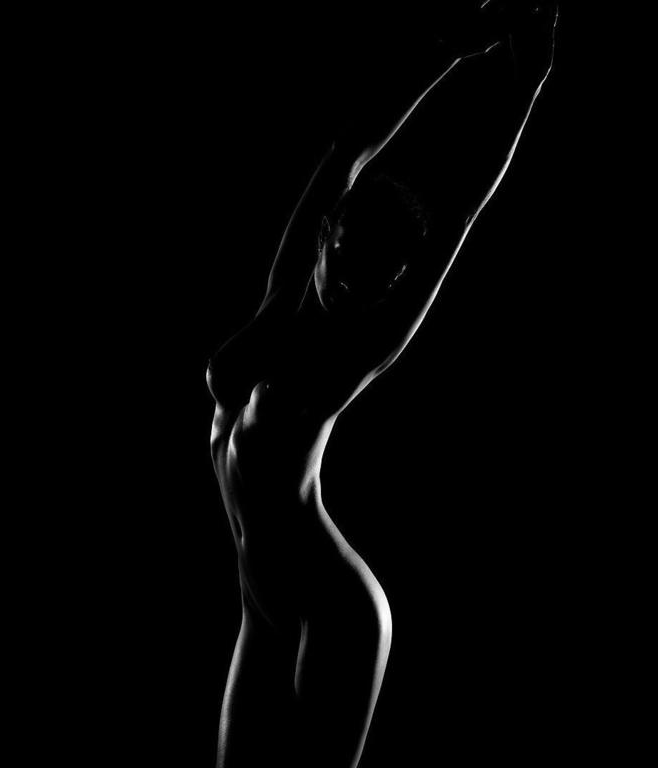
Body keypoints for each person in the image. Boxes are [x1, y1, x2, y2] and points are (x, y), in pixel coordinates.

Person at [207, 2, 557, 765]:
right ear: (326, 235)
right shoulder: (285, 294)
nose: (352, 283)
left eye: (376, 275)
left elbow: (460, 211)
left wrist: (525, 87)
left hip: (335, 615)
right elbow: (349, 148)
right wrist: (448, 47)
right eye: (346, 256)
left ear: (392, 279)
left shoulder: (354, 350)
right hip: (261, 608)